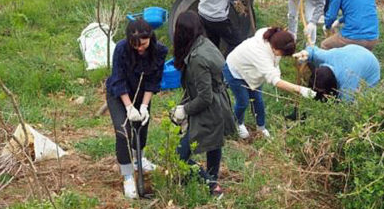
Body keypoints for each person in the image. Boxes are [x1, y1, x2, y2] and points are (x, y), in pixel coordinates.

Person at [172, 11, 236, 196]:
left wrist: (185, 110)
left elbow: (205, 97)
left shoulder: (197, 59)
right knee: (214, 143)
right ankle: (211, 176)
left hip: (210, 108)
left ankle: (211, 184)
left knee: (179, 155)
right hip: (219, 104)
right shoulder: (205, 43)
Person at [106, 19, 168, 199]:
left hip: (142, 94)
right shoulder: (121, 49)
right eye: (135, 45)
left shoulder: (159, 51)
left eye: (143, 44)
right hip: (119, 95)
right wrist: (128, 107)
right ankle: (127, 175)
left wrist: (143, 106)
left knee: (142, 127)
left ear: (150, 37)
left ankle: (139, 159)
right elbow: (117, 79)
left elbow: (153, 80)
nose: (139, 48)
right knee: (123, 131)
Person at [223, 27, 317, 139]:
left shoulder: (274, 38)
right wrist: (300, 89)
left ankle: (261, 127)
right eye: (281, 53)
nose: (280, 56)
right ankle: (238, 123)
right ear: (275, 48)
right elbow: (275, 81)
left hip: (252, 71)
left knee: (258, 100)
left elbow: (275, 61)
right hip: (235, 71)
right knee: (243, 101)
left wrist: (302, 54)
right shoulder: (259, 52)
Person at [293, 44, 380, 102]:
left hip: (371, 68)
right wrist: (306, 54)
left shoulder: (347, 80)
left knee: (361, 102)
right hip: (353, 52)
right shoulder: (326, 57)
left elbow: (345, 107)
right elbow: (313, 51)